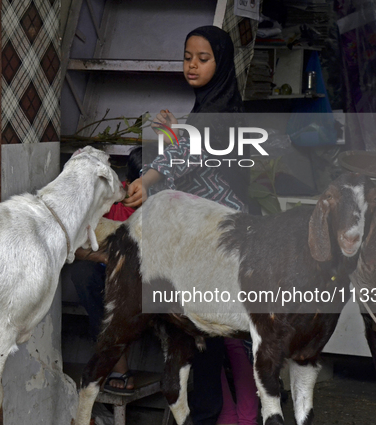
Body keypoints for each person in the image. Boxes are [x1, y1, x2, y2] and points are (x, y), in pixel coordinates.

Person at [123, 26, 258, 425]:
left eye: (203, 58)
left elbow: (183, 160)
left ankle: (241, 414)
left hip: (220, 234)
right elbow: (193, 158)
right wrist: (170, 134)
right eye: (188, 57)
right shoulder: (211, 108)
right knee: (215, 330)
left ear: (221, 62)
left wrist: (146, 180)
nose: (193, 65)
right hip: (208, 231)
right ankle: (232, 413)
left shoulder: (217, 113)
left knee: (224, 331)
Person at [71, 146, 142, 395]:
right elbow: (75, 244)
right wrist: (104, 257)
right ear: (129, 182)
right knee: (84, 276)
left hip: (140, 280)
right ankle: (119, 366)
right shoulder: (110, 199)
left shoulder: (165, 206)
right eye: (139, 185)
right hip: (104, 271)